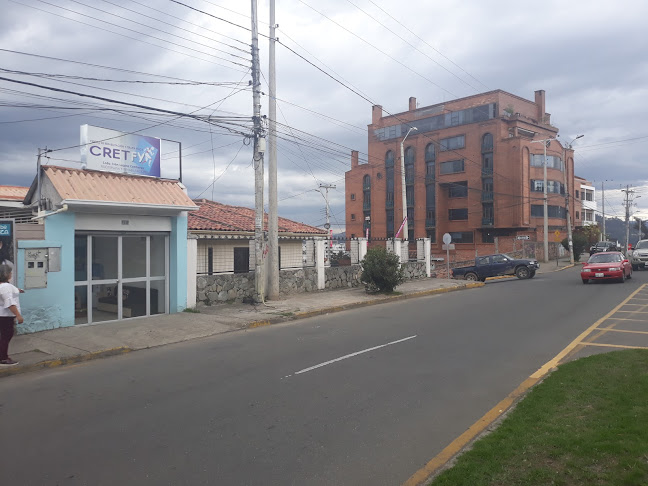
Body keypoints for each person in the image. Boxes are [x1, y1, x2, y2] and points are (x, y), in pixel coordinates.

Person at [0, 263, 23, 365]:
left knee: (4, 336)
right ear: (6, 274)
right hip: (5, 316)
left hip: (2, 315)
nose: (11, 274)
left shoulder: (3, 285)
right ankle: (3, 358)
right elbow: (9, 303)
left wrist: (17, 290)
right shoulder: (5, 287)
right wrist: (18, 315)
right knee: (6, 336)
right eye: (10, 272)